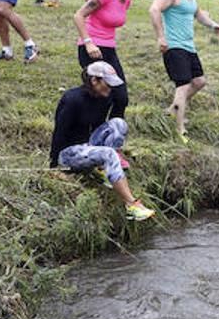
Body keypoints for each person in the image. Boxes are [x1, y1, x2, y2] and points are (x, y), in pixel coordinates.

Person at [49, 62, 154, 222]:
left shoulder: (104, 98)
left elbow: (101, 125)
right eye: (108, 83)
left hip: (88, 145)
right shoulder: (72, 99)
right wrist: (54, 166)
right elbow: (59, 132)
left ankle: (103, 168)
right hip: (68, 153)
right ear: (94, 81)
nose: (111, 88)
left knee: (119, 123)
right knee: (109, 154)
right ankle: (131, 205)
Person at [149, 0, 219, 141]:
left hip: (188, 46)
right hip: (174, 47)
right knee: (182, 87)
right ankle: (180, 129)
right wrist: (161, 37)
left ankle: (173, 109)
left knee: (199, 82)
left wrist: (213, 25)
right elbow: (154, 9)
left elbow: (198, 14)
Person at [74, 0, 150, 120]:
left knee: (121, 97)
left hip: (109, 50)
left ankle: (113, 134)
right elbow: (79, 15)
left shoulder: (127, 0)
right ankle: (90, 131)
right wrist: (88, 43)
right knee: (103, 96)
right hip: (91, 49)